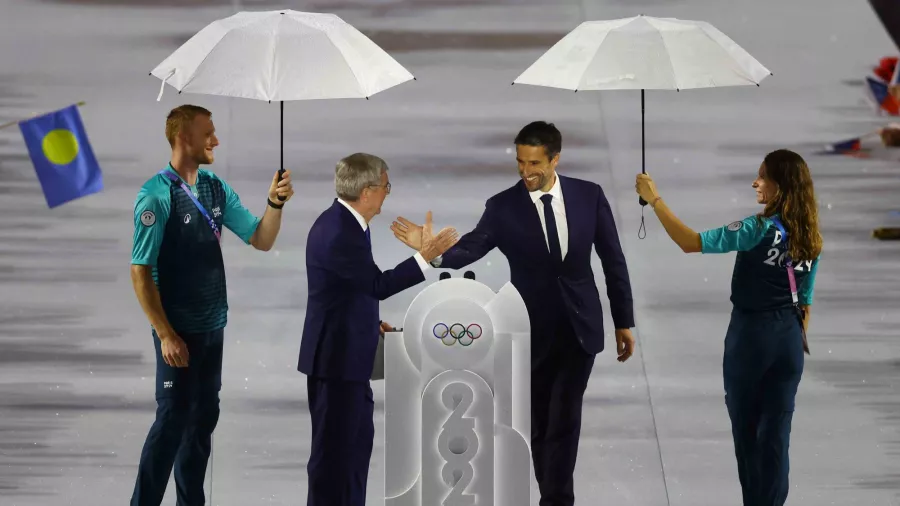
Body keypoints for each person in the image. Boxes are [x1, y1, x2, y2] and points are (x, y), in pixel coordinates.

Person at [390, 121, 636, 506]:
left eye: (534, 163)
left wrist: (624, 320)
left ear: (555, 158)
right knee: (538, 424)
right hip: (528, 332)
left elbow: (613, 261)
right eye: (520, 162)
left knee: (564, 420)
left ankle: (557, 500)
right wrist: (432, 252)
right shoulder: (503, 207)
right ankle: (551, 494)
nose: (525, 172)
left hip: (579, 328)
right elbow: (471, 247)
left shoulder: (589, 196)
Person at [634, 148, 822, 506]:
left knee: (748, 435)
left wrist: (653, 199)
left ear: (780, 187)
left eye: (763, 177)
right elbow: (806, 302)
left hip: (751, 340)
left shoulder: (756, 229)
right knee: (777, 436)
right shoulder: (811, 237)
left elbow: (690, 242)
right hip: (789, 342)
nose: (756, 182)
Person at [129, 104, 293, 506]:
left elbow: (261, 239)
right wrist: (165, 334)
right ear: (184, 138)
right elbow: (140, 273)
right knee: (171, 423)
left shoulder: (215, 187)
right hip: (177, 333)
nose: (216, 140)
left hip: (212, 328)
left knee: (201, 424)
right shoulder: (157, 196)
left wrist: (275, 204)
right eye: (208, 134)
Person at [297, 152, 459, 506]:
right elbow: (376, 285)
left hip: (350, 359)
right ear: (367, 191)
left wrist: (370, 322)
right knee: (333, 463)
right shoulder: (340, 231)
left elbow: (351, 288)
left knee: (353, 455)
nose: (388, 193)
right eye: (386, 186)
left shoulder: (348, 224)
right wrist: (425, 256)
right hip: (336, 365)